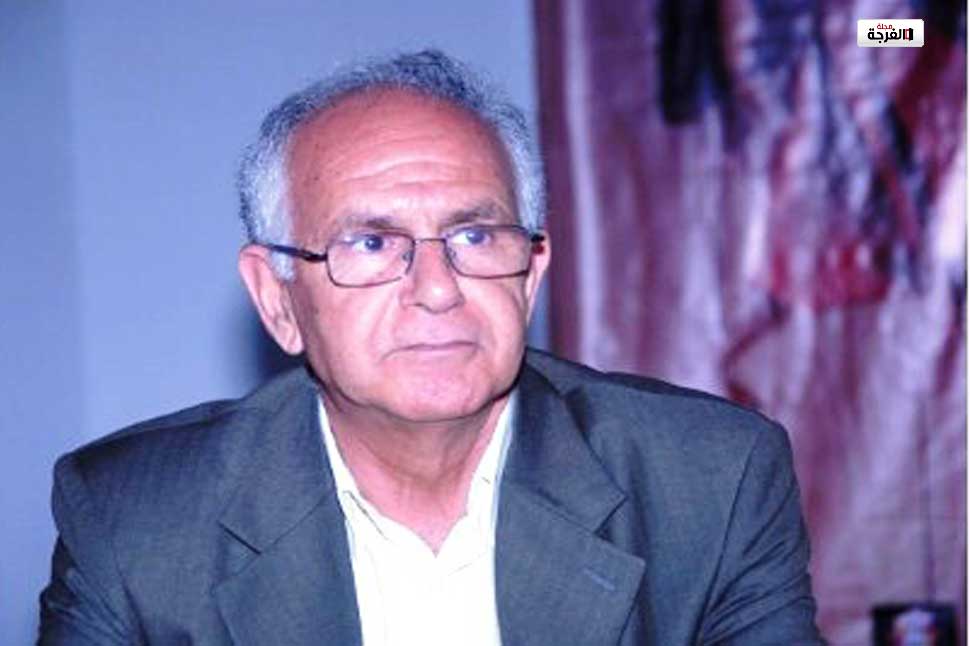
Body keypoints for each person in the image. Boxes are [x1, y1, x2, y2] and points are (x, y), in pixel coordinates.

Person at [38, 50, 822, 645]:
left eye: (474, 236)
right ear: (279, 300)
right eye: (372, 243)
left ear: (530, 276)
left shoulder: (709, 480)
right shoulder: (137, 518)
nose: (438, 288)